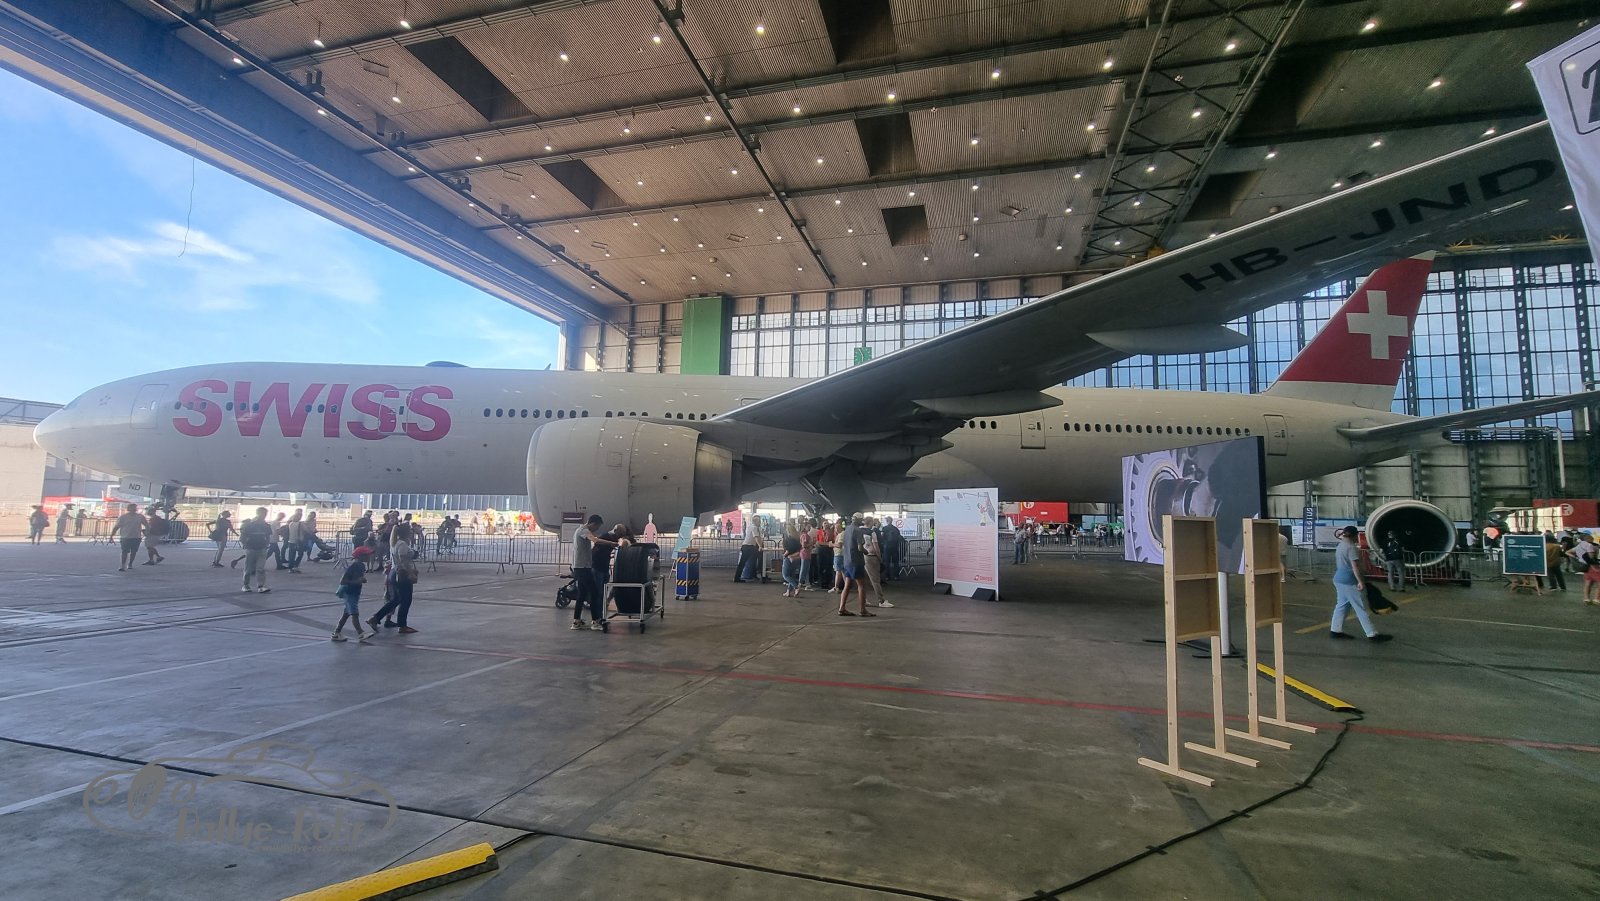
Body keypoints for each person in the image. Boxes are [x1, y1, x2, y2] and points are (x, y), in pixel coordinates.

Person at [1330, 526, 1390, 642]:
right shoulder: (1351, 548)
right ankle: (1372, 634)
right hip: (1349, 581)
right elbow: (1355, 566)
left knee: (1342, 605)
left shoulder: (1341, 545)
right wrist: (1361, 581)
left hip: (1339, 579)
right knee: (1360, 607)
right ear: (1354, 535)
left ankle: (1335, 630)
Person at [569, 515, 618, 631]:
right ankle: (596, 621)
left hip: (580, 567)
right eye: (597, 527)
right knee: (595, 593)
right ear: (593, 524)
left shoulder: (579, 530)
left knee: (582, 594)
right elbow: (595, 540)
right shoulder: (584, 531)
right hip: (583, 568)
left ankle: (576, 621)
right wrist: (611, 543)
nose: (597, 529)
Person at [368, 530, 419, 633]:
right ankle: (402, 625)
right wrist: (411, 573)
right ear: (406, 533)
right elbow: (403, 561)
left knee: (396, 599)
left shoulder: (394, 542)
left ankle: (376, 618)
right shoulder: (402, 544)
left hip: (394, 572)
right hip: (402, 574)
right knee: (406, 600)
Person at [332, 547, 374, 642]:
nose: (369, 556)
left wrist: (361, 580)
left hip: (355, 592)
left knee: (346, 613)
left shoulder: (361, 566)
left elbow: (358, 578)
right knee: (354, 613)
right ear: (360, 556)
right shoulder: (354, 567)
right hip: (350, 592)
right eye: (366, 555)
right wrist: (356, 581)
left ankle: (337, 632)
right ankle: (360, 633)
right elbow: (343, 581)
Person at [837, 514, 874, 617]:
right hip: (856, 561)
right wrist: (867, 552)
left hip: (847, 560)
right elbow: (860, 547)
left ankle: (842, 608)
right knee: (861, 585)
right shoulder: (858, 530)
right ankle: (862, 610)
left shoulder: (847, 529)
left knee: (847, 585)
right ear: (859, 520)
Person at [238, 507, 274, 593]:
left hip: (262, 549)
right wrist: (246, 546)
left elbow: (268, 537)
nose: (264, 515)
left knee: (260, 568)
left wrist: (266, 545)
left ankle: (261, 586)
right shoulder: (249, 525)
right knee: (248, 568)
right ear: (258, 513)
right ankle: (245, 585)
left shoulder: (266, 526)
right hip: (251, 548)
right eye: (262, 513)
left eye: (265, 514)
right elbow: (242, 537)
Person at [861, 517, 892, 607]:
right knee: (875, 580)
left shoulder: (859, 530)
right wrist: (880, 558)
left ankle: (864, 599)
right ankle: (881, 600)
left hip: (862, 556)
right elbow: (876, 547)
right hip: (871, 556)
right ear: (870, 523)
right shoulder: (872, 533)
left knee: (864, 580)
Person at [108, 502, 145, 571]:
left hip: (136, 537)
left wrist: (147, 532)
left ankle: (130, 563)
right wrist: (111, 536)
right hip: (125, 537)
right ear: (128, 509)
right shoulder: (123, 517)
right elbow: (116, 527)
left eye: (134, 508)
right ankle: (123, 565)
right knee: (124, 551)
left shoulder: (140, 517)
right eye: (132, 508)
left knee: (133, 551)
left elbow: (146, 524)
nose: (133, 509)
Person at [781, 525, 803, 598]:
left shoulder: (788, 539)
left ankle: (796, 586)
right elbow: (799, 549)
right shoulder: (797, 539)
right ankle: (788, 591)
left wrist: (784, 555)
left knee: (786, 575)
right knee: (792, 575)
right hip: (796, 558)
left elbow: (788, 549)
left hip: (788, 557)